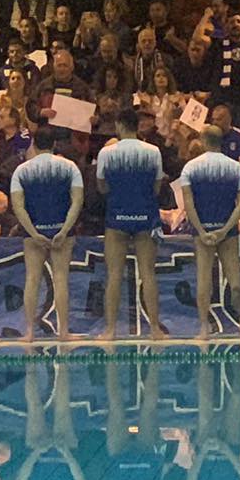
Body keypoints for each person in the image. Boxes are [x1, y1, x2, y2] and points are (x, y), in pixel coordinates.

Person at [96, 110, 168, 341]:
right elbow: (157, 188)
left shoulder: (107, 153)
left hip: (117, 216)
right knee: (148, 273)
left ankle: (109, 331)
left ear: (118, 125)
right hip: (145, 216)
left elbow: (102, 187)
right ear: (138, 126)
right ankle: (155, 329)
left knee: (114, 275)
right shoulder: (153, 151)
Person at [175, 125, 240, 340]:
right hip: (228, 231)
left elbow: (188, 203)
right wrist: (226, 228)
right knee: (235, 281)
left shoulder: (190, 168)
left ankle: (203, 329)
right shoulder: (236, 168)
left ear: (202, 140)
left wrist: (201, 230)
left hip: (203, 230)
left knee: (203, 280)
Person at [10, 126, 84, 341]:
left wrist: (33, 233)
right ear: (54, 144)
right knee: (61, 279)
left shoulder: (22, 171)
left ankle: (29, 332)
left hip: (34, 231)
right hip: (61, 229)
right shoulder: (70, 167)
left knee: (32, 279)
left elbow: (18, 206)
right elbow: (77, 201)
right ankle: (64, 331)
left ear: (34, 144)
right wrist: (64, 230)